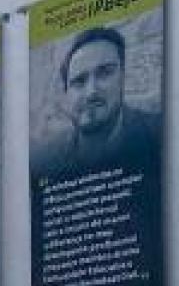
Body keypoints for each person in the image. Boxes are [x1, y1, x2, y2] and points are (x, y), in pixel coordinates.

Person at [35, 25, 161, 175]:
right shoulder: (41, 162)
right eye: (79, 81)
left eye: (104, 73)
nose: (91, 92)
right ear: (66, 94)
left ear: (123, 77)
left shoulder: (160, 135)